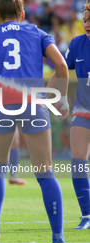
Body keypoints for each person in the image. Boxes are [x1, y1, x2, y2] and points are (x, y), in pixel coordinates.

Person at [0, 0, 68, 243]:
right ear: (22, 13)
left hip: (0, 105)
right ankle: (58, 240)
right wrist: (61, 99)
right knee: (45, 173)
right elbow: (62, 66)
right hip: (34, 104)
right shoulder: (38, 32)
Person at [63, 3, 90, 230]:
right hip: (83, 109)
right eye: (85, 19)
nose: (87, 24)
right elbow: (62, 71)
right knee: (78, 162)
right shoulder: (77, 44)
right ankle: (87, 215)